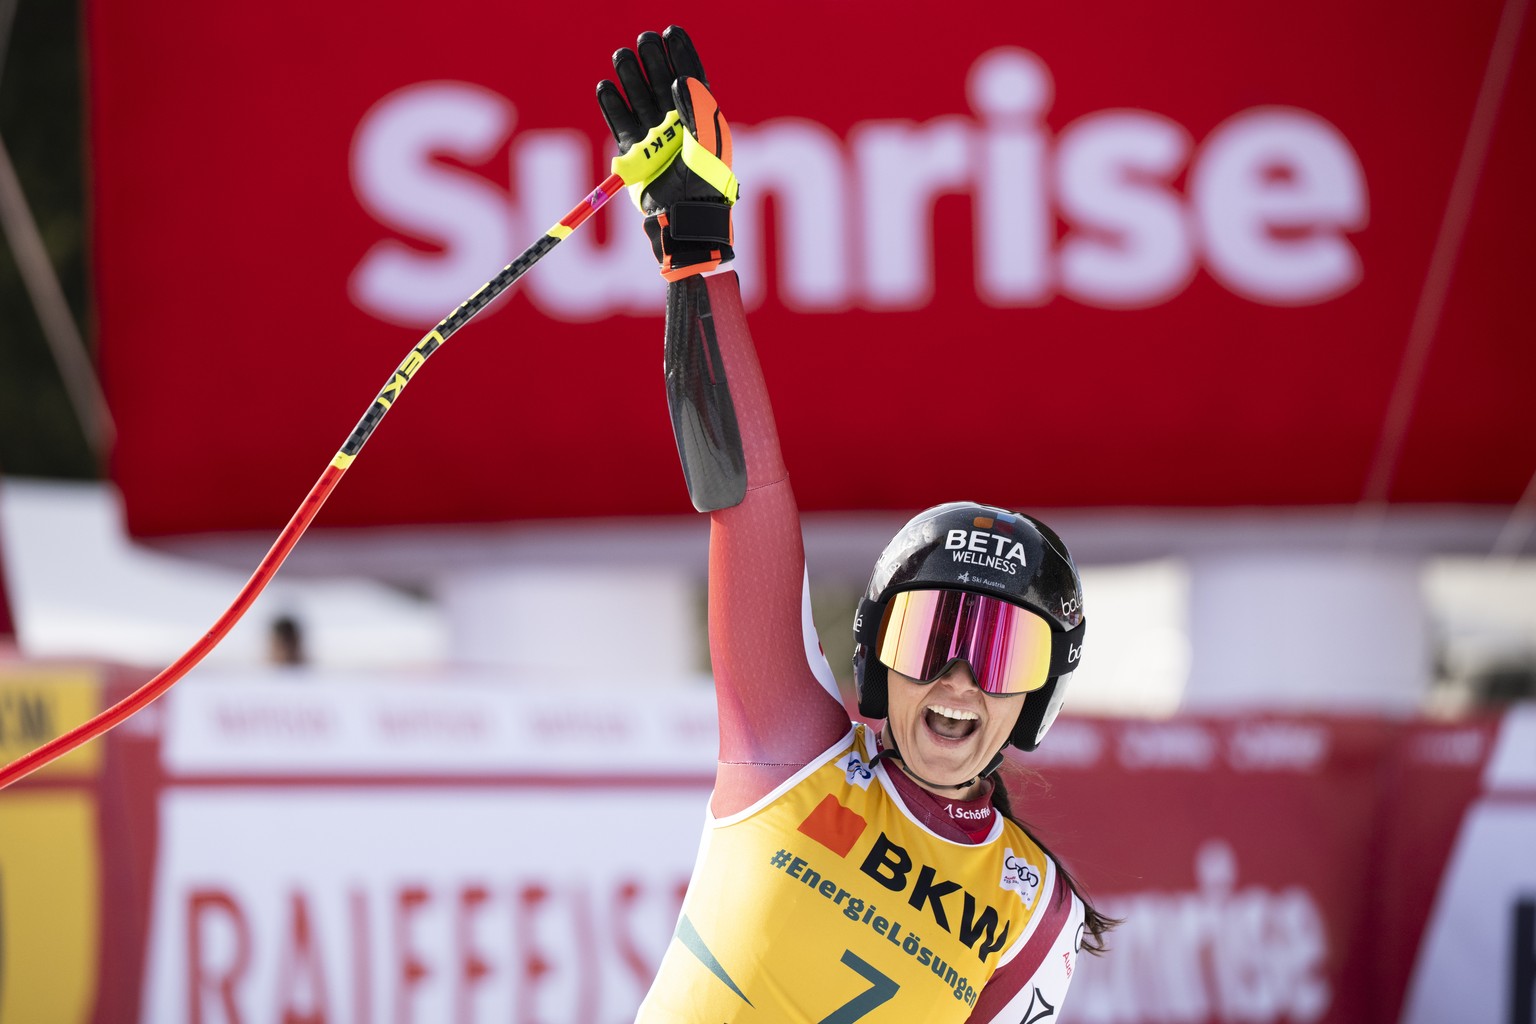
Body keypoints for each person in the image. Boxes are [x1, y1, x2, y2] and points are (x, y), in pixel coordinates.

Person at [595, 26, 1115, 1022]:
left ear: (1039, 698)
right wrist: (698, 259)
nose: (961, 678)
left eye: (1003, 651)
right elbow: (748, 500)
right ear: (878, 655)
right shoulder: (789, 747)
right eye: (932, 637)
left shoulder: (1038, 917)